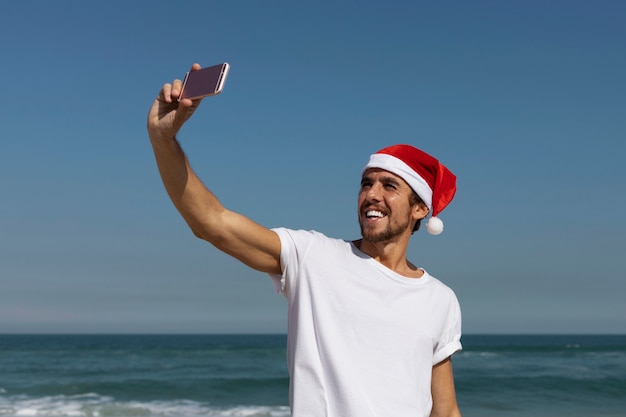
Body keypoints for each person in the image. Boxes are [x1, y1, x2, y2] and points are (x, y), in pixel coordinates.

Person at [147, 63, 463, 417]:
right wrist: (163, 138)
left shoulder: (440, 299)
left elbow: (446, 411)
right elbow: (212, 223)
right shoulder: (313, 256)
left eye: (389, 186)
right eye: (366, 183)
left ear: (420, 209)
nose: (372, 194)